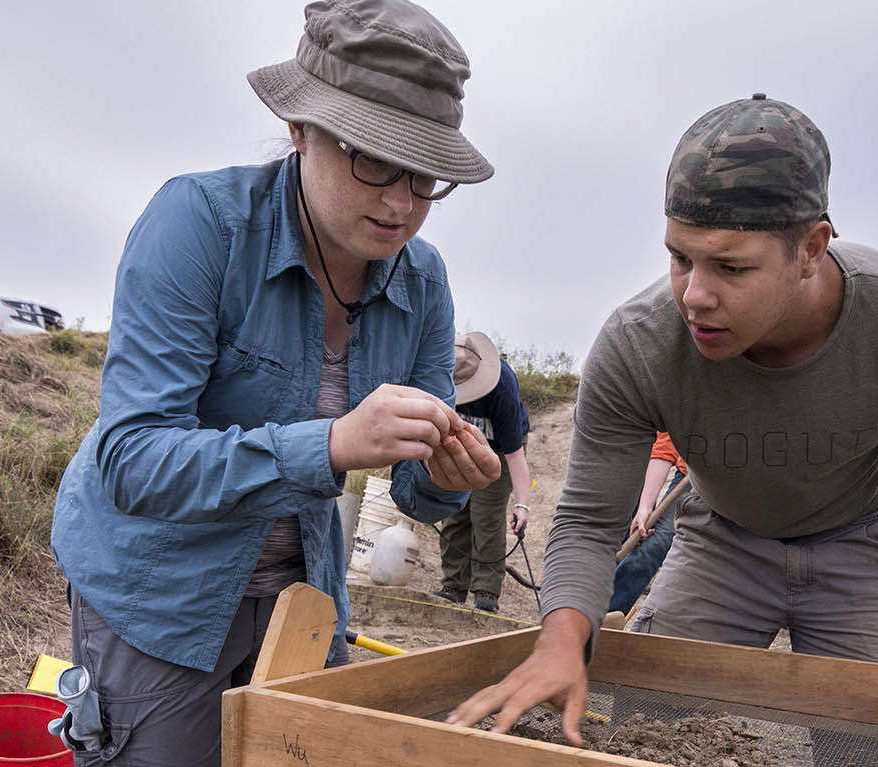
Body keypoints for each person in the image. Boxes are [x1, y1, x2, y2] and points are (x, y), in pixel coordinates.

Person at [447, 94, 878, 748]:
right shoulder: (640, 343)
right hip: (722, 536)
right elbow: (589, 518)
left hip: (862, 538)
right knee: (649, 730)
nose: (694, 296)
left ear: (812, 247)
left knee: (870, 741)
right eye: (680, 257)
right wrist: (560, 636)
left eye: (731, 266)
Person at [47, 2, 501, 764]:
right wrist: (330, 443)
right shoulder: (198, 225)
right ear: (299, 129)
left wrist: (451, 479)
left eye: (425, 176)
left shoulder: (423, 281)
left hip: (306, 599)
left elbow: (419, 494)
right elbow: (132, 458)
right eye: (374, 159)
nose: (400, 202)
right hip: (160, 601)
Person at [433, 331, 533, 614]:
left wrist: (522, 504)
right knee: (454, 510)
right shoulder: (437, 376)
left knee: (486, 515)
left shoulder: (502, 388)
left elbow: (515, 455)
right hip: (458, 444)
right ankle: (453, 585)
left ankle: (486, 591)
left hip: (499, 451)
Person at [606, 433, 688, 617]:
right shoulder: (685, 404)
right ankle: (599, 624)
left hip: (747, 484)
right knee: (649, 547)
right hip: (692, 479)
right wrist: (645, 507)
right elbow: (666, 447)